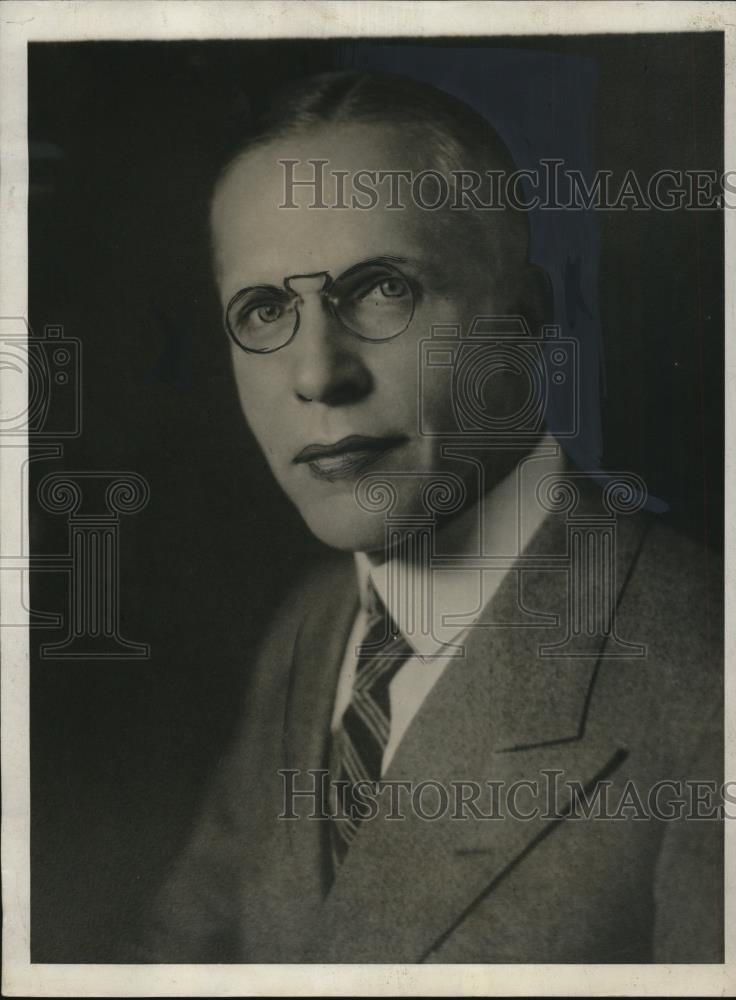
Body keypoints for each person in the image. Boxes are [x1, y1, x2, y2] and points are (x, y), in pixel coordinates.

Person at [143, 71, 723, 963]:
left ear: (523, 320)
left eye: (381, 289)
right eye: (264, 310)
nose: (316, 375)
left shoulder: (707, 678)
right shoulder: (314, 624)